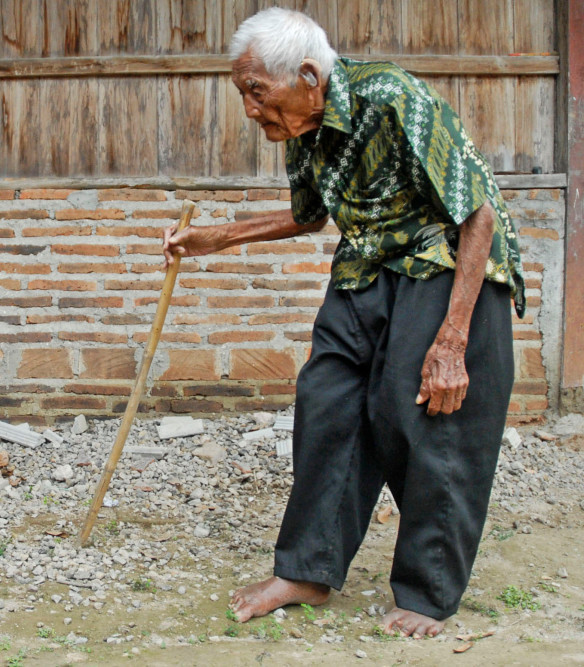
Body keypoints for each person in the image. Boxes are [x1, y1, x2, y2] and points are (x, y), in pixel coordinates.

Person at [162, 7, 524, 639]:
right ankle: (307, 570)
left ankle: (428, 592)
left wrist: (453, 339)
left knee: (419, 417)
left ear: (307, 74)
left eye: (256, 91)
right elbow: (310, 215)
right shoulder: (302, 126)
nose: (250, 108)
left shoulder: (392, 97)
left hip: (443, 263)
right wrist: (216, 237)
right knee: (326, 402)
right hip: (365, 270)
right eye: (243, 93)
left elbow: (478, 216)